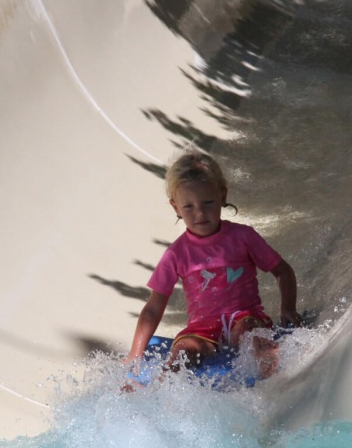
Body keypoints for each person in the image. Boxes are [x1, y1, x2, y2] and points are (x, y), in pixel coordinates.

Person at [123, 152, 299, 382]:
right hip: (201, 330)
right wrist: (135, 356)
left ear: (222, 195)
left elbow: (282, 271)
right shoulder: (176, 253)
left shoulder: (243, 236)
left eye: (207, 202)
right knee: (183, 350)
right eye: (188, 206)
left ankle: (274, 383)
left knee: (247, 332)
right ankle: (160, 392)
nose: (199, 213)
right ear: (176, 207)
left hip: (244, 318)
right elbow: (153, 309)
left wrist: (288, 309)